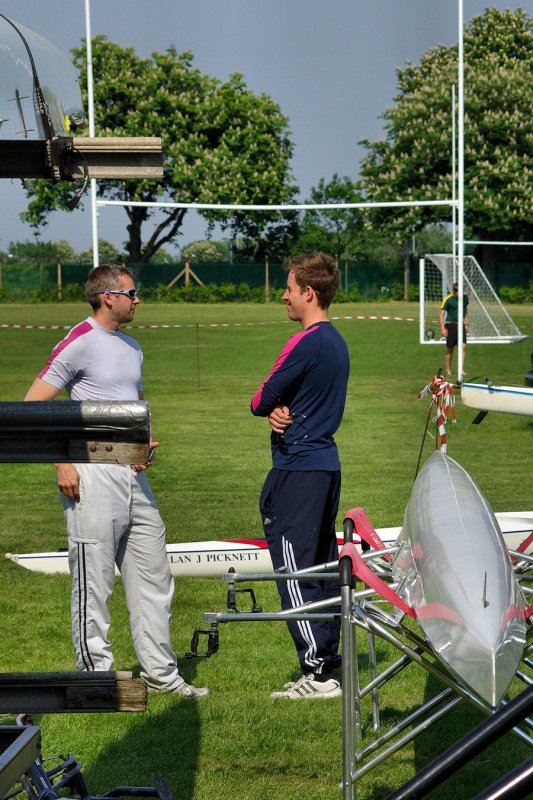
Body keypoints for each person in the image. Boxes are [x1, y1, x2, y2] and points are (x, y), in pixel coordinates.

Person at [24, 264, 209, 698]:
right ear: (108, 297)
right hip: (90, 474)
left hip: (133, 477)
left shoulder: (132, 346)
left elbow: (136, 405)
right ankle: (95, 681)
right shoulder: (78, 342)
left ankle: (161, 675)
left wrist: (143, 443)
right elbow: (34, 406)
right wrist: (62, 462)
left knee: (154, 572)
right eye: (132, 292)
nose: (137, 299)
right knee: (95, 580)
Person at [251, 252, 350, 700]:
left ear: (308, 293)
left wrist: (270, 406)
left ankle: (318, 674)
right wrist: (279, 409)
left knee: (295, 569)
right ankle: (331, 664)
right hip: (326, 464)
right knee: (324, 567)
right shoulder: (338, 342)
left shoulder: (304, 341)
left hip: (299, 469)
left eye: (289, 289)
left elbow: (259, 398)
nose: (284, 297)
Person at [440, 282, 469, 376]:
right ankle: (448, 369)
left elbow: (465, 311)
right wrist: (443, 328)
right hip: (450, 325)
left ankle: (461, 370)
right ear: (454, 291)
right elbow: (441, 314)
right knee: (450, 348)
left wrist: (466, 324)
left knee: (463, 346)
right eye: (457, 292)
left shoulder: (465, 298)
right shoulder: (448, 299)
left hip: (461, 325)